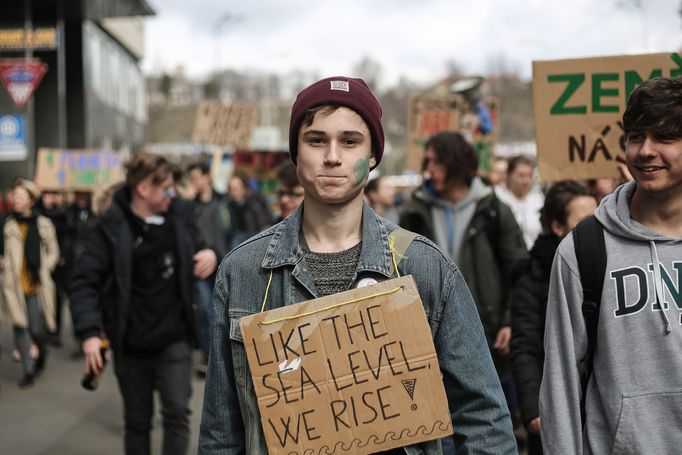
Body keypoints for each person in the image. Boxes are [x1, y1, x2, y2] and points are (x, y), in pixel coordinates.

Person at [199, 76, 516, 454]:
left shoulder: (426, 268)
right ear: (296, 153)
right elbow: (221, 433)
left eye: (350, 142)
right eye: (317, 140)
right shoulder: (243, 271)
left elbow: (483, 418)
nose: (333, 156)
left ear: (373, 156)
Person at [540, 76, 682, 454]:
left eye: (665, 137)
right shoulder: (584, 250)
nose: (646, 150)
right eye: (636, 137)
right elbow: (561, 383)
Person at [70, 152, 218, 455]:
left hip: (175, 338)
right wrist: (89, 334)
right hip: (131, 343)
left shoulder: (180, 215)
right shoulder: (110, 227)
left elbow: (204, 246)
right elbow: (83, 282)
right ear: (143, 189)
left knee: (177, 414)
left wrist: (210, 254)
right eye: (165, 187)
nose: (172, 193)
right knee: (137, 422)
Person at [510, 181, 597, 455]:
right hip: (553, 409)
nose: (597, 228)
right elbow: (525, 345)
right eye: (585, 221)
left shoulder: (603, 262)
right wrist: (534, 407)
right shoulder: (532, 276)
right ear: (558, 226)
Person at [2, 179, 60, 388]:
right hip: (13, 285)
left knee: (36, 329)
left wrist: (47, 265)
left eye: (20, 196)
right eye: (13, 196)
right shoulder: (6, 224)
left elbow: (54, 251)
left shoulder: (43, 223)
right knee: (19, 329)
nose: (15, 200)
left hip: (35, 285)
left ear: (31, 200)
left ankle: (42, 352)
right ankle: (28, 371)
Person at [187, 161, 231, 376]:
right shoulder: (190, 208)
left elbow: (232, 233)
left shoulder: (224, 202)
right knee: (204, 309)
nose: (195, 183)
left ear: (207, 177)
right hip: (201, 267)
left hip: (224, 265)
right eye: (191, 179)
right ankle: (208, 354)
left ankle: (220, 354)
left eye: (197, 177)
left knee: (221, 311)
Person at [495, 155, 545, 249]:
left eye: (529, 176)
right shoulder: (498, 198)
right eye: (520, 175)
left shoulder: (538, 200)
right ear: (508, 175)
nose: (526, 181)